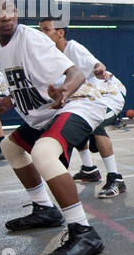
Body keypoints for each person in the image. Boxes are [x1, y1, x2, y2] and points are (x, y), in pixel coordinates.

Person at [0, 2, 107, 255]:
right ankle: (44, 209)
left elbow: (75, 73)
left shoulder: (30, 37)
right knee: (10, 146)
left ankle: (83, 232)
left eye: (11, 10)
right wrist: (10, 100)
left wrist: (64, 91)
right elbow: (27, 83)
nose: (7, 16)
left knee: (43, 152)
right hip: (46, 112)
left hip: (80, 102)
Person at [38, 20, 127, 196]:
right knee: (74, 120)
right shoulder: (50, 56)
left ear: (60, 33)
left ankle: (116, 178)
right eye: (40, 30)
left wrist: (99, 69)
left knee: (93, 124)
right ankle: (89, 169)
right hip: (85, 100)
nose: (42, 34)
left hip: (108, 96)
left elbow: (96, 64)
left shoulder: (73, 48)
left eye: (46, 30)